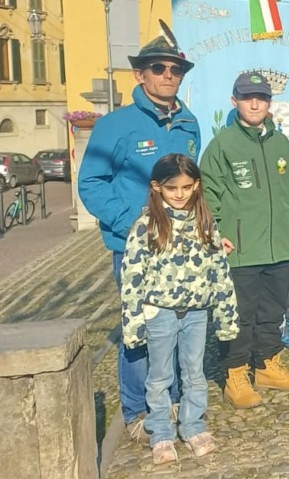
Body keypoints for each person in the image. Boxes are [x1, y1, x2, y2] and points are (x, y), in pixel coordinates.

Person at [78, 28, 199, 443]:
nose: (168, 75)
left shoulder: (189, 121)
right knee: (139, 328)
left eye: (176, 69)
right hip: (135, 247)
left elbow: (194, 183)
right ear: (140, 76)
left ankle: (176, 400)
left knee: (180, 325)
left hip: (181, 249)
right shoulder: (116, 125)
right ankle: (137, 411)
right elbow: (91, 182)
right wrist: (132, 221)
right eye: (159, 68)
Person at [201, 71, 289, 409]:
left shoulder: (281, 144)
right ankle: (235, 373)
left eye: (261, 98)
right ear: (234, 101)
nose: (254, 103)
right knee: (239, 315)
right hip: (240, 249)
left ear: (269, 103)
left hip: (278, 246)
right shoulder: (222, 145)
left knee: (272, 311)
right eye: (247, 97)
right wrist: (215, 233)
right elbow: (208, 195)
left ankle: (266, 365)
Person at [118, 153, 239, 464]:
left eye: (186, 187)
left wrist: (226, 317)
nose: (180, 194)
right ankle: (160, 432)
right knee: (159, 376)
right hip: (159, 312)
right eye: (172, 188)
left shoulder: (205, 222)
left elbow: (219, 271)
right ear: (158, 187)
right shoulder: (146, 226)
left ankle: (193, 426)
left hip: (197, 312)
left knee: (194, 373)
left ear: (196, 186)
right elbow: (132, 276)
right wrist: (133, 324)